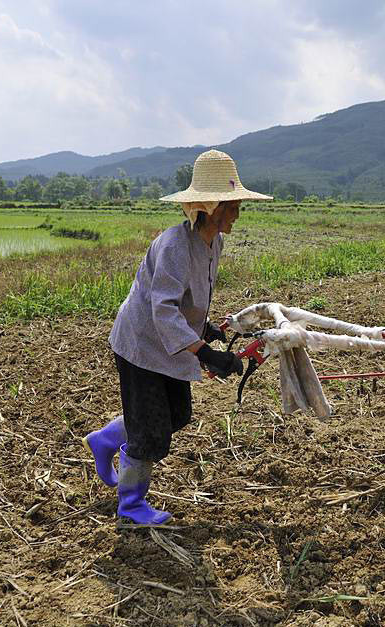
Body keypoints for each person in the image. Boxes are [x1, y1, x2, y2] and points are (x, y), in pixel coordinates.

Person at [83, 149, 272, 525]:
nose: (237, 213)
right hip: (141, 344)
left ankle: (106, 439)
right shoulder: (173, 246)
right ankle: (131, 504)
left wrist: (208, 330)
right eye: (232, 205)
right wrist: (206, 354)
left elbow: (192, 298)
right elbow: (164, 309)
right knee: (151, 431)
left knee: (177, 413)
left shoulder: (213, 243)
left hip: (168, 342)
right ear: (211, 206)